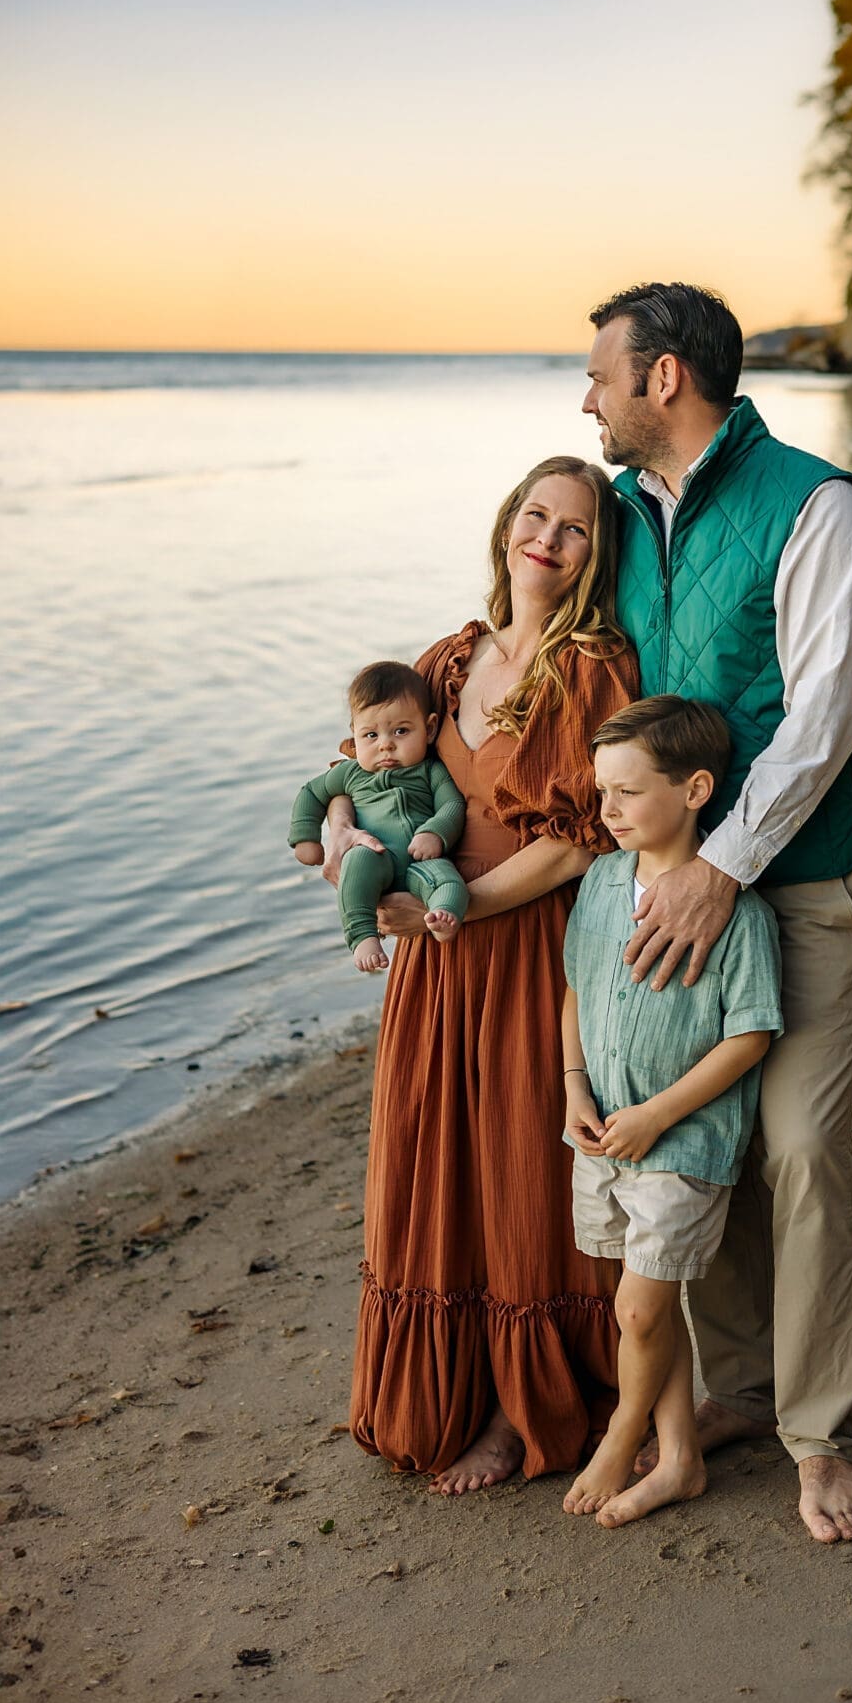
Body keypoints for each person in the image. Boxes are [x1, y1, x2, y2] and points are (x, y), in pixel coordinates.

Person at [583, 282, 852, 1544]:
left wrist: (719, 863)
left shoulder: (827, 511)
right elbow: (547, 635)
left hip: (811, 873)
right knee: (698, 1137)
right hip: (681, 876)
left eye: (603, 374)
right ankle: (747, 1387)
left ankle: (821, 1434)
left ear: (665, 378)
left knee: (801, 1145)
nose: (590, 398)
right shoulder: (619, 513)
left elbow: (825, 721)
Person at [321, 457, 638, 1492]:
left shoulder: (595, 666)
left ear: (595, 555)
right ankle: (449, 1390)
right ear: (508, 527)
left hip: (526, 948)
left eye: (576, 527)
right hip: (432, 963)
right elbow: (369, 770)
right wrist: (336, 841)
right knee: (433, 1160)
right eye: (536, 515)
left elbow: (582, 842)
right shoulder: (447, 662)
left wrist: (454, 912)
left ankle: (516, 1406)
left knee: (516, 1171)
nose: (548, 536)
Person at [559, 696, 783, 1528]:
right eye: (600, 790)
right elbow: (577, 988)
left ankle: (623, 1436)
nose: (606, 809)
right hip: (601, 1133)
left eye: (626, 792)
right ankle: (681, 1457)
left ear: (695, 789)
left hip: (683, 1140)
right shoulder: (599, 883)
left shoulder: (739, 913)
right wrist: (574, 1085)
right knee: (649, 1309)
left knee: (638, 1310)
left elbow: (751, 1034)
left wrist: (657, 1114)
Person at [289, 660, 468, 973]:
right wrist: (306, 838)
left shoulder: (430, 771)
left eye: (401, 731)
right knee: (357, 864)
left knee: (448, 880)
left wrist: (435, 832)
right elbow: (311, 793)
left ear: (428, 729)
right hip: (377, 856)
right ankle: (362, 935)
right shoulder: (351, 774)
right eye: (370, 735)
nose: (386, 744)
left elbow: (452, 804)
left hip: (422, 863)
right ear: (354, 736)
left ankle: (444, 917)